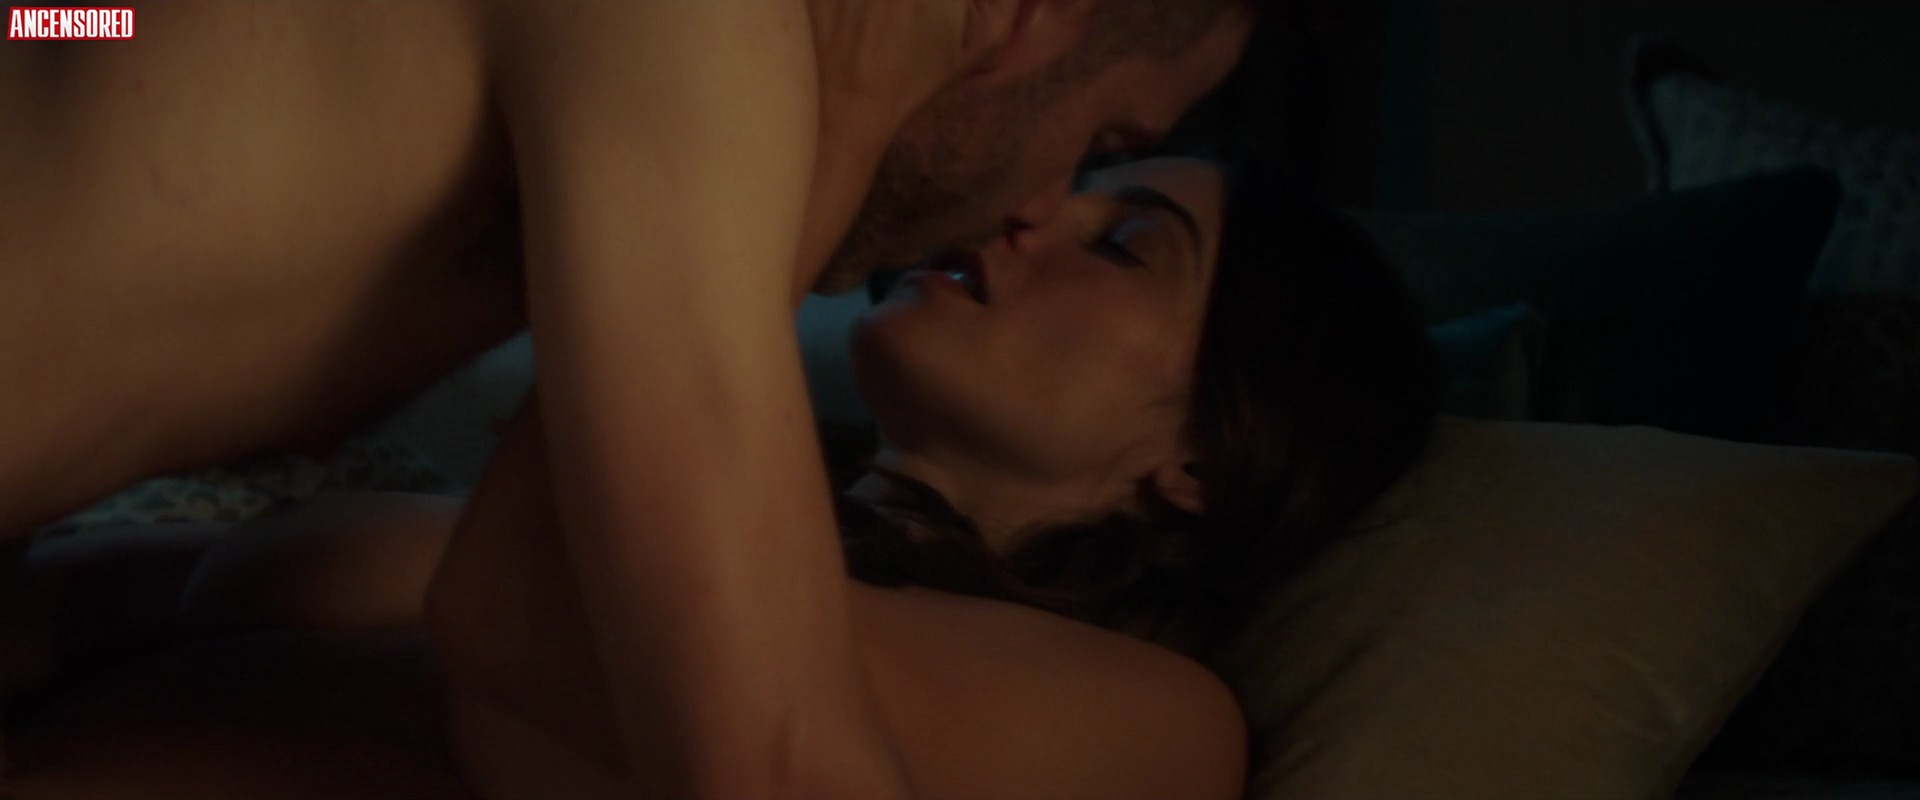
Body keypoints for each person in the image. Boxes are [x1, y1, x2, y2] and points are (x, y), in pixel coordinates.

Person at [3, 156, 1443, 799]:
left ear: (1205, 459)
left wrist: (753, 153)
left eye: (1125, 246)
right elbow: (100, 595)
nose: (1030, 209)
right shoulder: (752, 511)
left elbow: (565, 643)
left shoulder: (1158, 725)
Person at [0, 0, 1258, 537]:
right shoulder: (711, 49)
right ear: (1039, 14)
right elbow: (769, 756)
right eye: (1100, 139)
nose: (1036, 206)